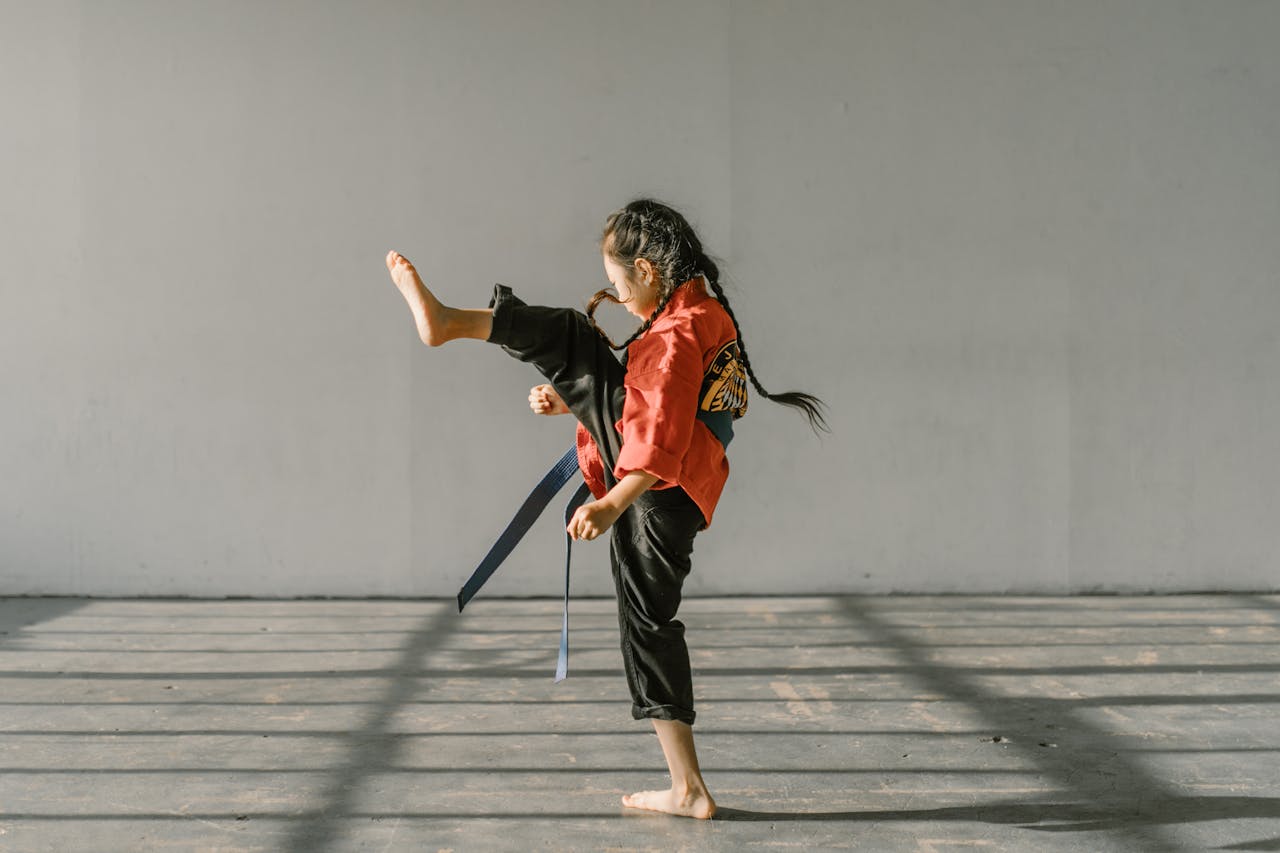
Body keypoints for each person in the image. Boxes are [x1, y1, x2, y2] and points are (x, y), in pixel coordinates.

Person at [386, 198, 827, 819]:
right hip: (674, 491)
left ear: (648, 270)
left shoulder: (674, 334)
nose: (617, 300)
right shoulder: (700, 311)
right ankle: (689, 788)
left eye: (619, 286)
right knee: (649, 625)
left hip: (655, 491)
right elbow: (651, 403)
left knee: (571, 336)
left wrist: (613, 501)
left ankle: (449, 323)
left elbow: (662, 431)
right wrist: (578, 404)